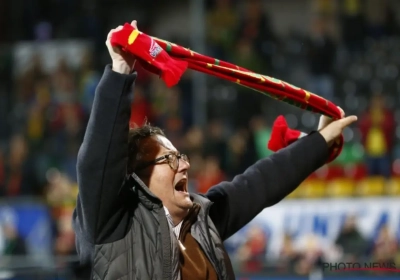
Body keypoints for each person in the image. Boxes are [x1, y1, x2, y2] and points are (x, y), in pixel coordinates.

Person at [73, 20, 358, 280]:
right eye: (170, 159)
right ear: (138, 178)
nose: (184, 165)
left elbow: (260, 182)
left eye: (181, 156)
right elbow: (96, 164)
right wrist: (120, 72)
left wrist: (319, 141)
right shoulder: (111, 225)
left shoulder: (203, 220)